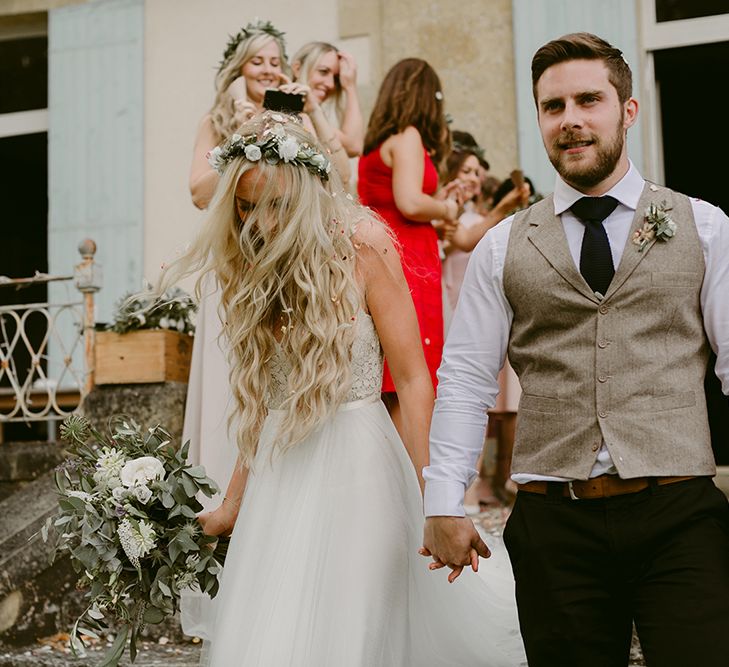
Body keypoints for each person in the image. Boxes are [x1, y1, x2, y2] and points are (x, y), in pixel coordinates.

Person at [160, 111, 525, 666]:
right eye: (245, 205)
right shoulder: (250, 258)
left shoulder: (363, 243)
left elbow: (410, 377)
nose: (259, 223)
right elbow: (264, 396)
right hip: (279, 478)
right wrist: (232, 505)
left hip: (359, 466)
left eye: (276, 204)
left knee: (355, 625)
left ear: (307, 191)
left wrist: (438, 498)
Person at [422, 32, 729, 667]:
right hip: (553, 522)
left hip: (680, 514)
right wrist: (443, 501)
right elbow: (465, 380)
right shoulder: (503, 245)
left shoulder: (703, 225)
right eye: (553, 106)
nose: (571, 121)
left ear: (628, 110)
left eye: (589, 99)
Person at [357, 58, 461, 435]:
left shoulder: (376, 143)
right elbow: (410, 202)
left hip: (384, 255)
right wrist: (446, 207)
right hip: (408, 259)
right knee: (411, 372)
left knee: (388, 373)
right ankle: (418, 476)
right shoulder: (409, 135)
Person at [291, 41, 364, 157]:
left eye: (336, 78)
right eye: (323, 72)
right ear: (297, 69)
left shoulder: (313, 114)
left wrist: (350, 86)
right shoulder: (283, 111)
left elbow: (354, 146)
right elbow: (353, 147)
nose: (331, 85)